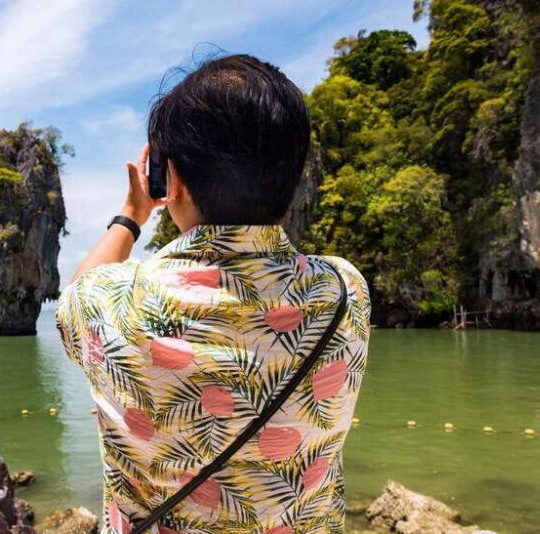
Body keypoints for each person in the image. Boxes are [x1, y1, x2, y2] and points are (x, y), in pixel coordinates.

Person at [55, 54, 371, 534]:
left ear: (171, 179)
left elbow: (73, 299)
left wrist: (131, 216)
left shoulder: (111, 300)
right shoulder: (345, 289)